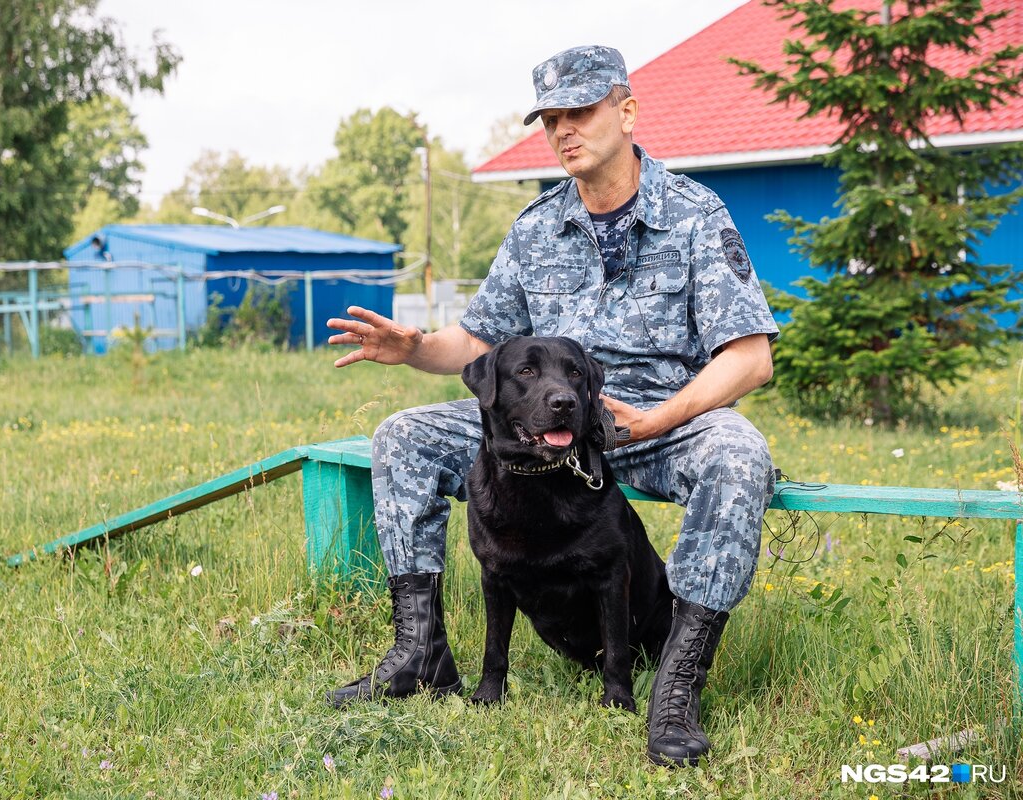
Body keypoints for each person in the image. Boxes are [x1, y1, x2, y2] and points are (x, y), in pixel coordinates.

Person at [324, 44, 779, 768]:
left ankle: (675, 685)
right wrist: (412, 346)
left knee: (739, 451)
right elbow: (476, 338)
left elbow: (751, 356)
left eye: (582, 111)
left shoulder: (695, 214)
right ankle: (419, 654)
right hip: (543, 430)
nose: (565, 130)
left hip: (659, 424)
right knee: (402, 435)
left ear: (626, 112)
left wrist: (660, 419)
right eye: (552, 119)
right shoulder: (536, 227)